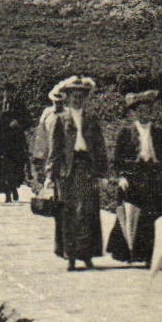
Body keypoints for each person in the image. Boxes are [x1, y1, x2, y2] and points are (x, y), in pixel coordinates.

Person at [44, 76, 107, 270]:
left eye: (81, 96)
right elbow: (54, 149)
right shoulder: (60, 119)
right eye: (73, 96)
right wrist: (50, 174)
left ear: (85, 98)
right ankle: (70, 256)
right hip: (67, 171)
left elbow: (100, 147)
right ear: (68, 98)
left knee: (88, 211)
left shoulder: (91, 118)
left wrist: (103, 173)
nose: (77, 99)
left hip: (87, 168)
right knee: (69, 213)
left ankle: (87, 255)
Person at [106, 90, 162, 265]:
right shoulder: (126, 132)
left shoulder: (158, 132)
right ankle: (128, 253)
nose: (143, 113)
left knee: (151, 216)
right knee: (130, 213)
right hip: (133, 176)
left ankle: (149, 255)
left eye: (147, 110)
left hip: (153, 176)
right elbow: (117, 159)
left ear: (151, 112)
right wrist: (121, 177)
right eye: (139, 110)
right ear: (134, 112)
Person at [0, 107, 29, 204]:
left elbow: (22, 141)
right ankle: (9, 193)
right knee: (6, 174)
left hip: (12, 154)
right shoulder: (3, 128)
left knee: (10, 174)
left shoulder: (15, 128)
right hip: (6, 154)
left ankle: (12, 190)